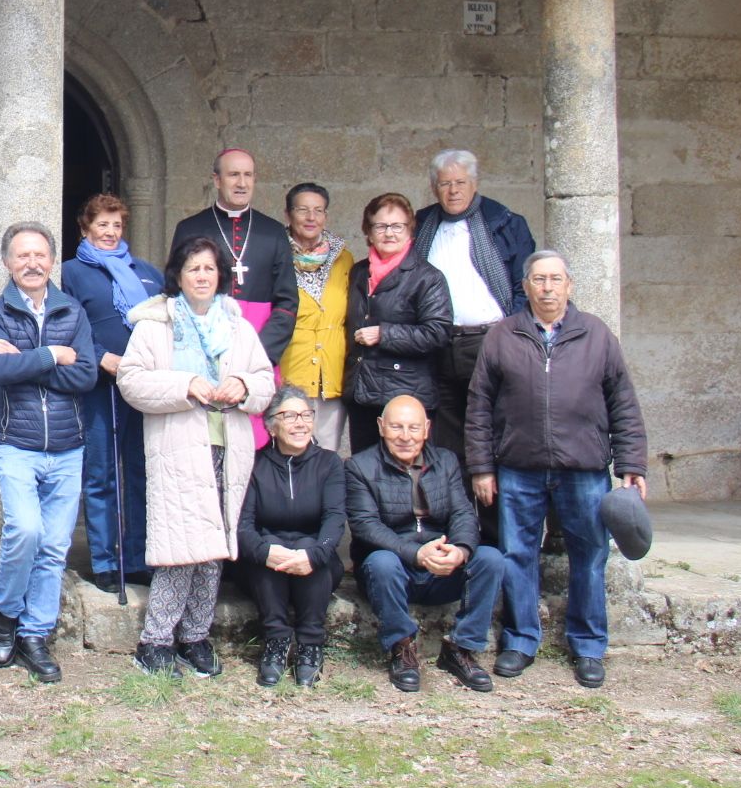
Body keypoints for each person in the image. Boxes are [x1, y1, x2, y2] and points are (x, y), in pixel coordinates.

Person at [465, 251, 649, 690]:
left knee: (589, 556)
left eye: (555, 279)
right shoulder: (503, 335)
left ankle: (587, 646)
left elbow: (623, 401)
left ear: (569, 286)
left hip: (583, 468)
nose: (547, 288)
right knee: (517, 555)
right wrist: (481, 467)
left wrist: (631, 463)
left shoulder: (597, 335)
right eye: (538, 280)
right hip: (518, 467)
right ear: (525, 287)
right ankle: (521, 640)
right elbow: (479, 406)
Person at [117, 237, 274, 680]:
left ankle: (196, 636)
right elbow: (132, 382)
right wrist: (186, 384)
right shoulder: (156, 325)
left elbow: (264, 381)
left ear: (220, 274)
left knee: (214, 549)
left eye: (209, 269)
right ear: (179, 277)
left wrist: (243, 385)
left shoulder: (238, 327)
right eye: (193, 270)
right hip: (179, 445)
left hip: (227, 443)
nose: (202, 276)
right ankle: (156, 640)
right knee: (179, 548)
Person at [0, 221, 98, 684]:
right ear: (7, 263)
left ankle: (35, 633)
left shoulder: (73, 312)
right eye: (22, 256)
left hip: (68, 445)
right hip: (17, 443)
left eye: (40, 256)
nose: (32, 264)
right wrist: (53, 355)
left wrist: (26, 361)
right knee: (25, 530)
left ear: (52, 261)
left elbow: (85, 375)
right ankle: (5, 615)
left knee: (54, 545)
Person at [344, 394, 504, 694]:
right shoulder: (359, 467)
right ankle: (401, 648)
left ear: (427, 428)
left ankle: (461, 648)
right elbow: (366, 525)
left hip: (441, 566)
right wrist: (416, 554)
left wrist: (460, 550)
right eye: (396, 427)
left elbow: (463, 514)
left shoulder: (445, 461)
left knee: (491, 559)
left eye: (413, 428)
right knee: (380, 562)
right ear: (381, 426)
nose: (405, 436)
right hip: (394, 571)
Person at [61, 193, 164, 594]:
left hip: (142, 385)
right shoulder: (71, 272)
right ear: (85, 228)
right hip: (99, 384)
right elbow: (70, 322)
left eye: (116, 225)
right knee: (101, 473)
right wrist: (101, 357)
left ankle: (136, 557)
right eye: (101, 224)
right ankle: (105, 560)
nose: (109, 232)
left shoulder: (147, 273)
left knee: (140, 472)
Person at [413, 150, 534, 460]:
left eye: (460, 182)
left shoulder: (504, 222)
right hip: (438, 343)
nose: (453, 191)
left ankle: (492, 509)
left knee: (491, 428)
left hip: (488, 340)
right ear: (433, 187)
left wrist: (511, 334)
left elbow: (524, 283)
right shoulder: (423, 224)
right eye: (444, 184)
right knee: (445, 434)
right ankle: (456, 506)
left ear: (475, 183)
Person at [236, 384, 345, 688]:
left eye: (306, 415)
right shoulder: (255, 465)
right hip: (266, 563)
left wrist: (313, 555)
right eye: (289, 416)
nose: (300, 423)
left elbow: (335, 520)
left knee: (312, 547)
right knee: (268, 546)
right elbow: (243, 526)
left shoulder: (330, 463)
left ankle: (310, 644)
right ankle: (276, 642)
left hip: (316, 562)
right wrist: (266, 552)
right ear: (271, 424)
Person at [343, 193, 451, 454]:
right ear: (368, 231)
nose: (388, 233)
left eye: (397, 226)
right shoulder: (358, 272)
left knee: (405, 474)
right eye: (380, 226)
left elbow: (438, 332)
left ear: (409, 231)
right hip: (362, 393)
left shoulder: (427, 277)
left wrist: (384, 334)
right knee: (365, 472)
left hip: (406, 394)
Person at [169, 148, 298, 365]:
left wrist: (259, 353)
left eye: (248, 175)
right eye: (233, 175)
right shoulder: (189, 229)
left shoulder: (273, 232)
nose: (242, 183)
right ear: (217, 180)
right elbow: (175, 293)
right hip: (203, 352)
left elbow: (287, 302)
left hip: (260, 350)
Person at [280, 183, 353, 455]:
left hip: (331, 377)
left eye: (318, 210)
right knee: (287, 453)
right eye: (303, 210)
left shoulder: (343, 259)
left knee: (327, 456)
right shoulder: (276, 256)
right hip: (290, 375)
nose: (311, 217)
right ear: (288, 215)